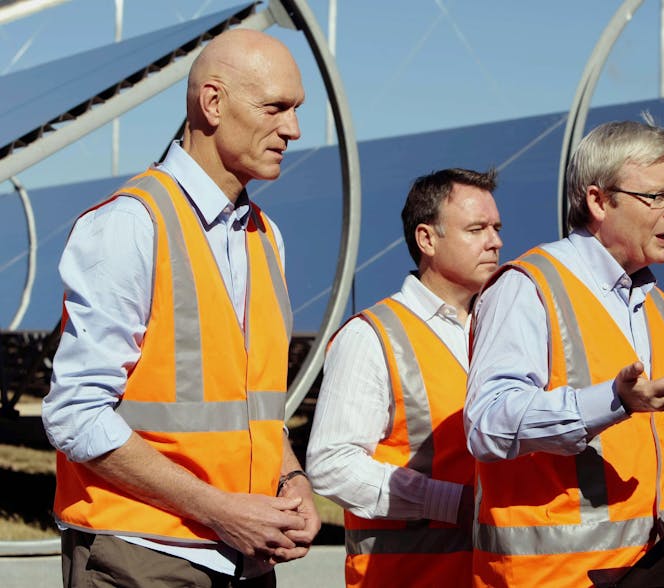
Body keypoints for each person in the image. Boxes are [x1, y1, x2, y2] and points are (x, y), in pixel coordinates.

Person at [42, 28, 320, 587]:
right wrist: (218, 509)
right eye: (275, 108)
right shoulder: (129, 225)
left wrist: (292, 480)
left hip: (244, 557)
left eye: (296, 110)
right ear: (212, 103)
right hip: (141, 557)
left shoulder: (266, 237)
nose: (292, 129)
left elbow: (249, 409)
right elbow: (74, 414)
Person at [464, 115, 664, 587]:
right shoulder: (528, 287)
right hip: (551, 578)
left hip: (650, 574)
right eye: (656, 196)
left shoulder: (658, 307)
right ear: (598, 200)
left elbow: (656, 458)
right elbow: (486, 423)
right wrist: (612, 402)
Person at [307, 168, 503, 587]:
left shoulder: (504, 330)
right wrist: (450, 502)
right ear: (426, 239)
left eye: (496, 227)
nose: (495, 241)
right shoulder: (371, 337)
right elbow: (330, 466)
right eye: (477, 229)